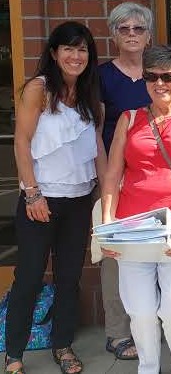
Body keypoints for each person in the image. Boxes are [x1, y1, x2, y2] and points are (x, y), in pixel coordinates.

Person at [101, 45, 171, 373]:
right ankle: (148, 367)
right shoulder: (129, 119)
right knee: (141, 311)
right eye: (151, 76)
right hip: (132, 228)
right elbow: (112, 174)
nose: (159, 83)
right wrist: (107, 225)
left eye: (168, 76)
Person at [6, 21, 106, 374]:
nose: (75, 56)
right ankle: (14, 353)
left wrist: (106, 197)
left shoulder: (91, 97)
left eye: (82, 49)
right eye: (68, 48)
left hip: (78, 200)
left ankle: (62, 345)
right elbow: (21, 142)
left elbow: (98, 151)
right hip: (40, 199)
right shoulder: (39, 89)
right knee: (30, 277)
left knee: (69, 277)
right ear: (54, 52)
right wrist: (32, 194)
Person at [98, 1, 153, 362]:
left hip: (153, 179)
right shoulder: (101, 77)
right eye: (124, 28)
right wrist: (108, 179)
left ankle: (149, 327)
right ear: (114, 35)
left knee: (154, 251)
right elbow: (93, 131)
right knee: (115, 255)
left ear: (149, 35)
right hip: (116, 178)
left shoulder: (160, 73)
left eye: (138, 28)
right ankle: (118, 332)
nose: (132, 34)